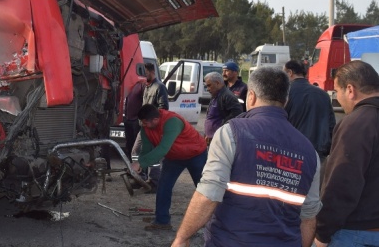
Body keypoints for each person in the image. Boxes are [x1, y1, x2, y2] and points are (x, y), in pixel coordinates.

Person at [171, 66, 321, 247]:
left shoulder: (231, 133)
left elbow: (209, 193)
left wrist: (182, 237)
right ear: (286, 100)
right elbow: (309, 216)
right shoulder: (309, 152)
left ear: (251, 96)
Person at [315, 61, 379, 246]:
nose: (338, 99)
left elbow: (342, 181)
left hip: (356, 232)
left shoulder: (357, 123)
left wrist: (322, 232)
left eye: (337, 92)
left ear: (350, 89)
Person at [131, 104, 207, 232]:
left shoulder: (172, 122)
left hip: (196, 154)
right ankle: (162, 221)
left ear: (155, 120)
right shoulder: (146, 128)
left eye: (145, 123)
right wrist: (140, 165)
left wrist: (141, 163)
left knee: (204, 189)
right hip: (174, 157)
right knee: (163, 187)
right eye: (142, 122)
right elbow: (147, 149)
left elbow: (162, 149)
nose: (143, 125)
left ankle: (213, 220)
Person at [284, 59, 336, 168]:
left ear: (289, 72)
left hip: (292, 151)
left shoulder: (285, 94)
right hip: (319, 152)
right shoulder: (323, 95)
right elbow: (331, 125)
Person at [203, 72, 242, 145]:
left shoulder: (227, 96)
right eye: (206, 86)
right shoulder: (215, 95)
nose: (207, 89)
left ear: (217, 83)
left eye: (209, 85)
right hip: (211, 139)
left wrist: (218, 131)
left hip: (220, 140)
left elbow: (237, 113)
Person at [123, 79, 146, 160]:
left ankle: (140, 168)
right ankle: (130, 166)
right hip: (127, 119)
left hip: (136, 121)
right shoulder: (128, 85)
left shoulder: (141, 85)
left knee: (137, 147)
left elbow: (146, 102)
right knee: (129, 145)